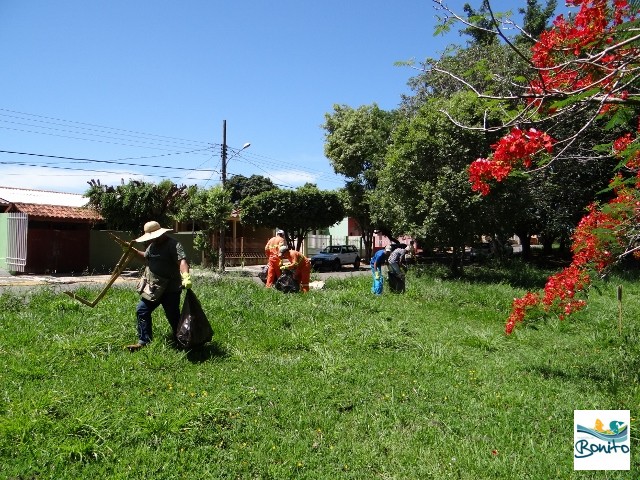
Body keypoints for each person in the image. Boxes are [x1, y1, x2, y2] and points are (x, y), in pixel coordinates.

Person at [126, 221, 191, 352]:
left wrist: (185, 276)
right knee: (142, 310)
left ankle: (183, 341)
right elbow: (146, 258)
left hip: (170, 289)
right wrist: (132, 251)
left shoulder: (173, 245)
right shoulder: (152, 246)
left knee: (173, 316)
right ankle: (144, 341)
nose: (152, 239)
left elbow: (182, 261)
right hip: (154, 289)